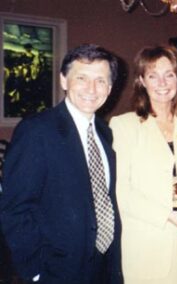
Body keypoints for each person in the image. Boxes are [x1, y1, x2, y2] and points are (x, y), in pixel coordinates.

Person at [0, 44, 123, 284]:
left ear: (109, 88)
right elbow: (14, 208)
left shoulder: (104, 133)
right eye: (82, 78)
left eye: (100, 80)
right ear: (64, 80)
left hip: (104, 267)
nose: (91, 88)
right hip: (57, 271)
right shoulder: (37, 131)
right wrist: (35, 271)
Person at [109, 45, 177, 284]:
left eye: (169, 74)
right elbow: (122, 192)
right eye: (152, 75)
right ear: (141, 81)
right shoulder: (123, 126)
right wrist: (171, 217)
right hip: (146, 249)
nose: (162, 82)